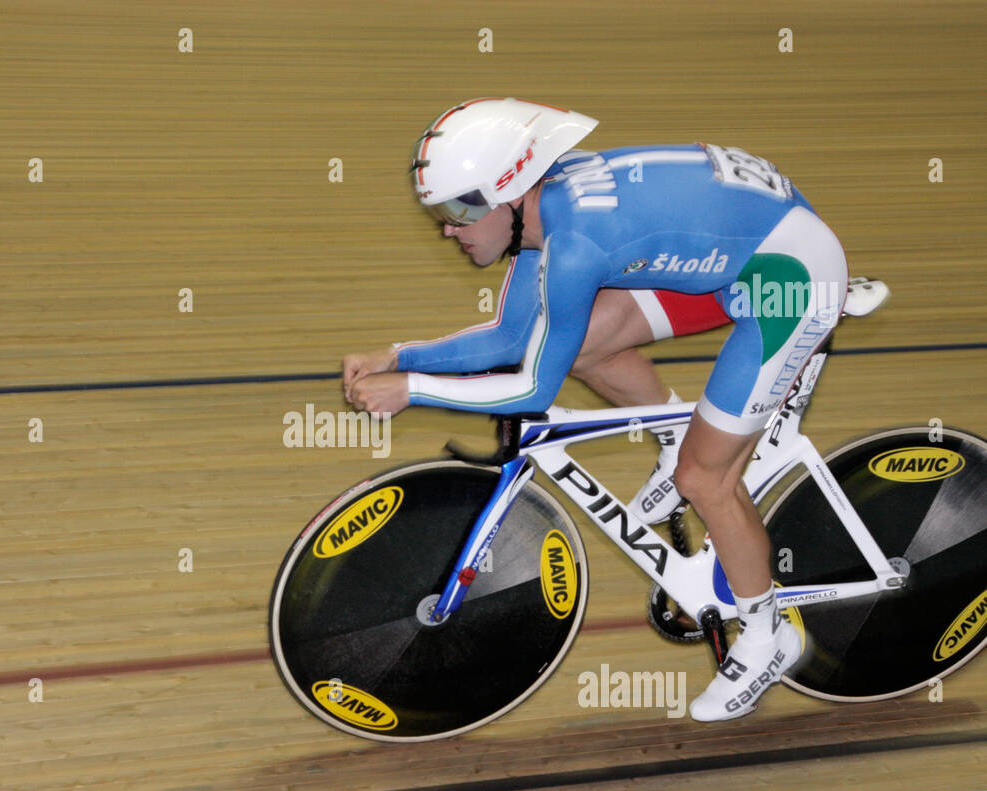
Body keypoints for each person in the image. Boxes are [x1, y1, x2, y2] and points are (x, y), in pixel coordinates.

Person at [342, 97, 884, 721]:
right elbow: (512, 339)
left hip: (790, 275)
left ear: (509, 191)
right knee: (580, 345)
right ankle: (677, 437)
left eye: (460, 210)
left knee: (705, 478)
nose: (448, 228)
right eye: (439, 211)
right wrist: (398, 355)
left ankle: (768, 637)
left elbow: (529, 391)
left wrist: (412, 390)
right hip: (732, 246)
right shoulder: (544, 212)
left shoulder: (573, 245)